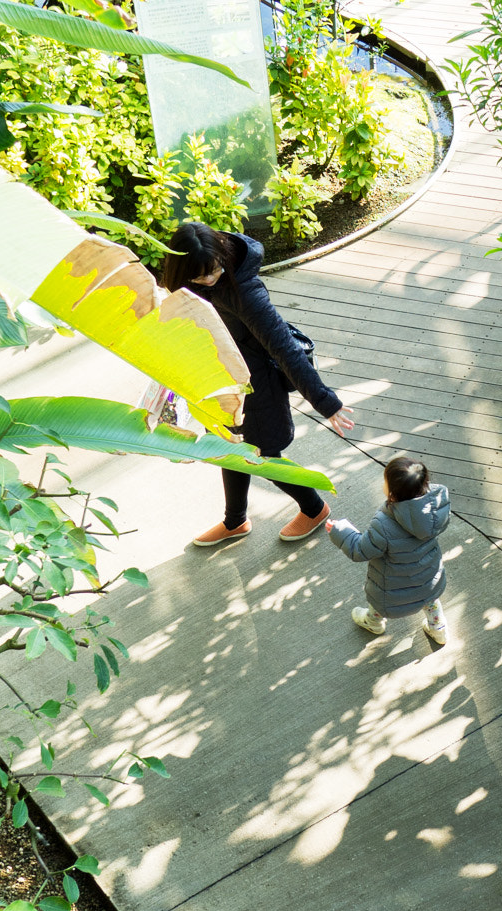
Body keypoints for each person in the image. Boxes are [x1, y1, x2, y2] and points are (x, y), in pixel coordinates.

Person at [159, 221, 354, 547]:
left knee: (261, 453)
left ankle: (314, 508)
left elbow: (283, 347)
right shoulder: (190, 281)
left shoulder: (244, 291)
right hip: (221, 379)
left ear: (222, 255)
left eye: (214, 271)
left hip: (256, 384)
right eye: (199, 276)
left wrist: (326, 402)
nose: (208, 279)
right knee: (227, 447)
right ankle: (235, 521)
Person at [325, 454, 449, 648]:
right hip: (429, 578)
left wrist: (341, 531)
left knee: (378, 603)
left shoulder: (384, 524)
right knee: (431, 601)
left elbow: (361, 550)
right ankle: (438, 629)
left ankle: (373, 623)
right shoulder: (435, 510)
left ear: (392, 492)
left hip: (393, 587)